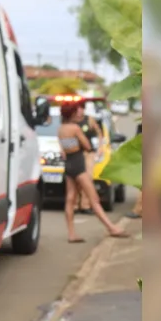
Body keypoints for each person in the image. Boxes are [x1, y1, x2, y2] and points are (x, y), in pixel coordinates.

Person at [58, 102, 129, 243]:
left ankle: (71, 233)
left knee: (70, 199)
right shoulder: (75, 128)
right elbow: (87, 145)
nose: (79, 113)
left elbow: (66, 147)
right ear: (71, 113)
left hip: (69, 165)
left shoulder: (61, 129)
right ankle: (112, 228)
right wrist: (85, 146)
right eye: (76, 111)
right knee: (94, 199)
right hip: (79, 164)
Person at [75, 104, 104, 215]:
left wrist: (100, 147)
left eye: (81, 108)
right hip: (75, 153)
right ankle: (75, 204)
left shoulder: (89, 120)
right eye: (77, 109)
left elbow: (99, 133)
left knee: (88, 178)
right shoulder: (71, 120)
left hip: (88, 153)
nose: (79, 111)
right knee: (76, 179)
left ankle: (85, 205)